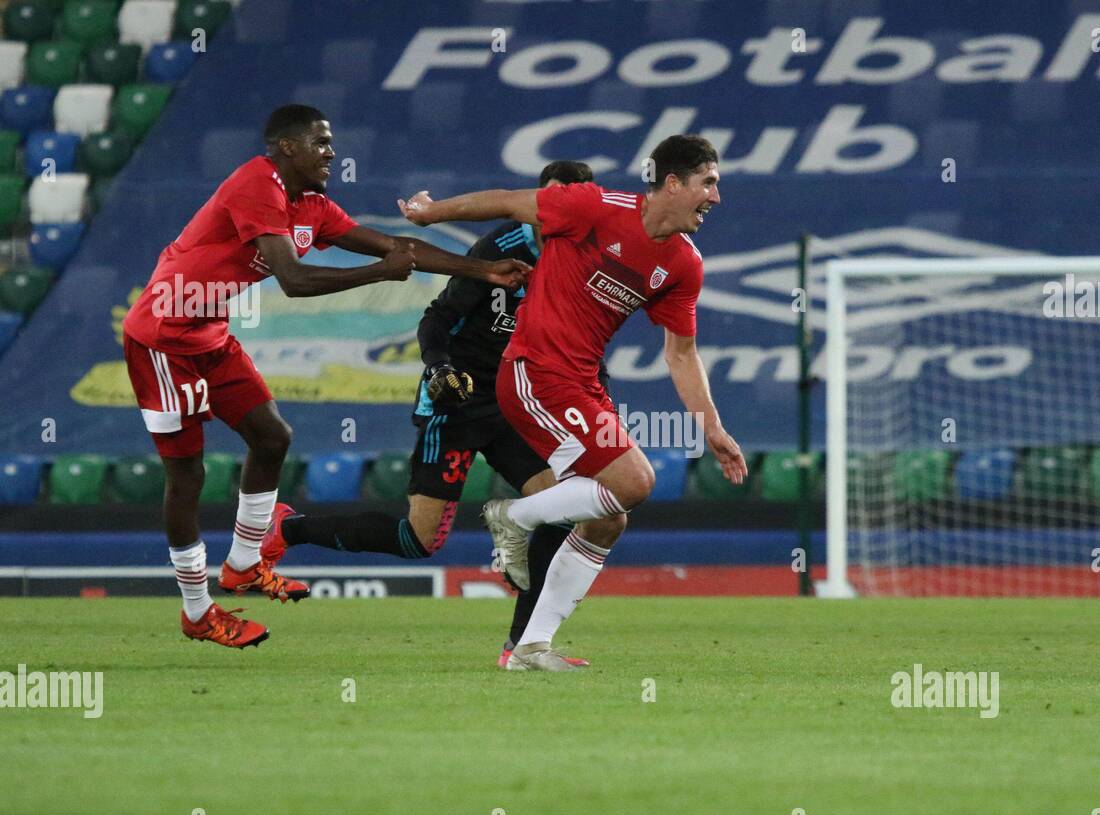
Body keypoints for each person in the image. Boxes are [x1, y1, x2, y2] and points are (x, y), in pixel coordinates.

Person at [120, 104, 530, 649]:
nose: (332, 153)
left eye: (332, 143)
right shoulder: (254, 184)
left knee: (272, 436)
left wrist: (481, 270)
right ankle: (198, 611)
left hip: (211, 334)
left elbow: (396, 248)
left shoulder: (309, 205)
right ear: (287, 148)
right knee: (188, 475)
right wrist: (376, 274)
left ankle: (243, 563)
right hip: (162, 338)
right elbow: (292, 278)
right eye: (321, 142)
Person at [398, 135, 746, 671]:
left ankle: (530, 648)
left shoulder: (682, 264)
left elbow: (681, 354)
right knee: (634, 482)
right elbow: (507, 199)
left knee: (610, 517)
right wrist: (429, 214)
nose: (716, 197)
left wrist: (713, 427)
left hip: (582, 385)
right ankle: (513, 517)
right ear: (672, 183)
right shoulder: (593, 207)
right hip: (533, 372)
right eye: (709, 183)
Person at [261, 161, 600, 668]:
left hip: (517, 399)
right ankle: (287, 528)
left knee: (567, 508)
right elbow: (437, 318)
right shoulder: (501, 249)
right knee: (419, 540)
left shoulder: (590, 258)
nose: (553, 214)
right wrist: (439, 367)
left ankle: (523, 647)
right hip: (457, 399)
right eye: (546, 202)